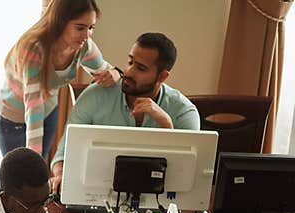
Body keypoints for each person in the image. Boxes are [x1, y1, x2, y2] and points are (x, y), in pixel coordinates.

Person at [50, 32, 200, 192]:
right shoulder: (95, 95)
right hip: (97, 195)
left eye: (141, 68)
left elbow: (185, 178)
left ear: (162, 76)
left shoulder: (184, 112)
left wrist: (165, 124)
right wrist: (60, 175)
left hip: (156, 204)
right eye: (130, 61)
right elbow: (63, 155)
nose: (128, 72)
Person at [0, 0, 119, 159]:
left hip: (47, 112)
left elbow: (104, 69)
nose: (87, 35)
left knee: (37, 173)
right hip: (14, 118)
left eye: (91, 28)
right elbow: (34, 106)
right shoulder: (34, 49)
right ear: (59, 23)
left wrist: (115, 72)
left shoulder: (84, 46)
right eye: (80, 27)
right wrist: (34, 160)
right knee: (19, 177)